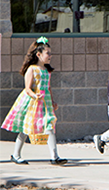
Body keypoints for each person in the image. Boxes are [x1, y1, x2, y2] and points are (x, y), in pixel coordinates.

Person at [1, 36, 67, 165]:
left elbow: (48, 88)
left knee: (50, 126)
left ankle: (55, 157)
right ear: (38, 54)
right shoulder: (32, 69)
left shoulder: (47, 71)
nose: (50, 56)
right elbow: (27, 88)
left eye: (50, 53)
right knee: (25, 128)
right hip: (32, 102)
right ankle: (16, 155)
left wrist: (52, 102)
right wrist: (34, 95)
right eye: (47, 53)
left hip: (45, 103)